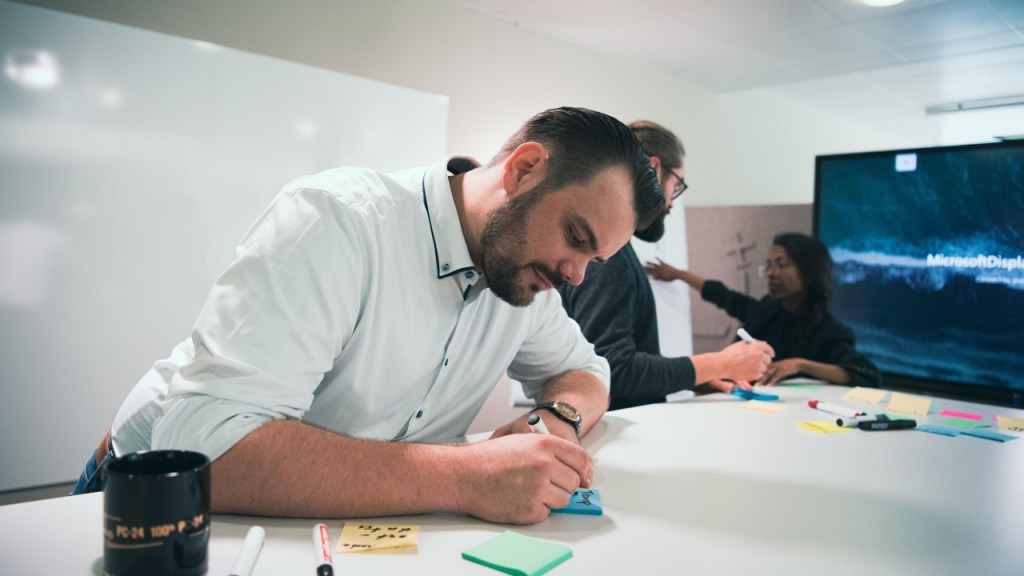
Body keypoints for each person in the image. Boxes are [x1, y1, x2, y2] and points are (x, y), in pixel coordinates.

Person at [72, 107, 665, 526]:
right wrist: (468, 475)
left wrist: (555, 422)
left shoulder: (523, 278)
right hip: (146, 505)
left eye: (595, 258)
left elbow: (588, 372)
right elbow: (207, 454)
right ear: (523, 169)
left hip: (326, 524)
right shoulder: (337, 221)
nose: (576, 275)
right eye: (576, 237)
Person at [558, 120, 774, 410]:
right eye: (677, 184)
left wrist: (691, 377)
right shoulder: (609, 257)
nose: (671, 202)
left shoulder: (617, 253)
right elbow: (613, 371)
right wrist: (720, 363)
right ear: (655, 168)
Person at [645, 232, 882, 388]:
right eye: (768, 265)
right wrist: (679, 274)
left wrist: (799, 364)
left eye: (781, 265)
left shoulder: (829, 330)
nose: (771, 273)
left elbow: (865, 374)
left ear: (809, 273)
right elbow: (724, 296)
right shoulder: (767, 310)